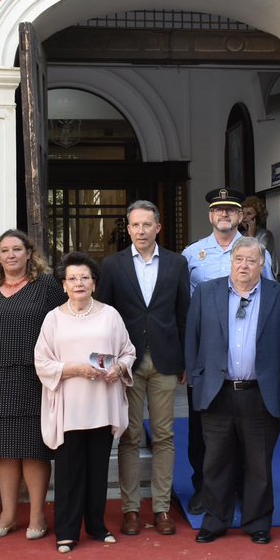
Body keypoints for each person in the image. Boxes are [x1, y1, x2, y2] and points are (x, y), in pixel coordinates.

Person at [185, 236, 280, 545]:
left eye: (251, 260)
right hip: (217, 391)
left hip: (260, 393)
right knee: (216, 461)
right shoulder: (207, 293)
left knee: (258, 462)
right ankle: (216, 519)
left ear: (262, 265)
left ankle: (257, 522)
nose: (244, 265)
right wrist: (196, 381)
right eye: (238, 259)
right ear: (231, 262)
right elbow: (192, 339)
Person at [95, 200, 189, 537]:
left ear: (158, 228)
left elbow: (184, 313)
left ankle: (162, 509)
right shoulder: (113, 265)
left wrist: (185, 360)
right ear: (128, 228)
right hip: (126, 362)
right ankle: (131, 509)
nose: (140, 231)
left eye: (146, 225)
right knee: (130, 436)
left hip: (165, 360)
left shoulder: (177, 264)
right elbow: (104, 316)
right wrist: (107, 362)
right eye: (135, 225)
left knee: (164, 436)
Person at [0, 229, 66, 540]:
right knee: (4, 449)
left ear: (28, 253)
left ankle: (37, 514)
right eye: (4, 250)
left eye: (17, 249)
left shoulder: (46, 286)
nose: (10, 255)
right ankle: (8, 514)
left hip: (33, 376)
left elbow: (64, 322)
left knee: (33, 448)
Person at [181, 188, 275, 514]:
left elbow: (272, 301)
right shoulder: (192, 254)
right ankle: (203, 489)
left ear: (241, 215)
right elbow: (187, 311)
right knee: (203, 427)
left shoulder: (257, 252)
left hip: (246, 351)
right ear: (210, 215)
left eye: (231, 210)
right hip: (209, 352)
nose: (224, 214)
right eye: (218, 209)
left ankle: (240, 490)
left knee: (245, 428)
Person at [35, 252, 136, 553]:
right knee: (68, 472)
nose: (79, 283)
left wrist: (118, 368)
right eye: (72, 278)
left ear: (94, 283)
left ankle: (96, 525)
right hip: (69, 407)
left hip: (102, 404)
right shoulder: (53, 318)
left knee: (97, 471)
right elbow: (41, 361)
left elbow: (128, 352)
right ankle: (66, 531)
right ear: (63, 285)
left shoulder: (110, 315)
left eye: (85, 278)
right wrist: (74, 369)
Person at [239, 196, 278, 275]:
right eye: (243, 213)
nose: (244, 217)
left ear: (257, 217)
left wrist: (251, 236)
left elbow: (257, 258)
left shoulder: (265, 235)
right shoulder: (240, 235)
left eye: (249, 214)